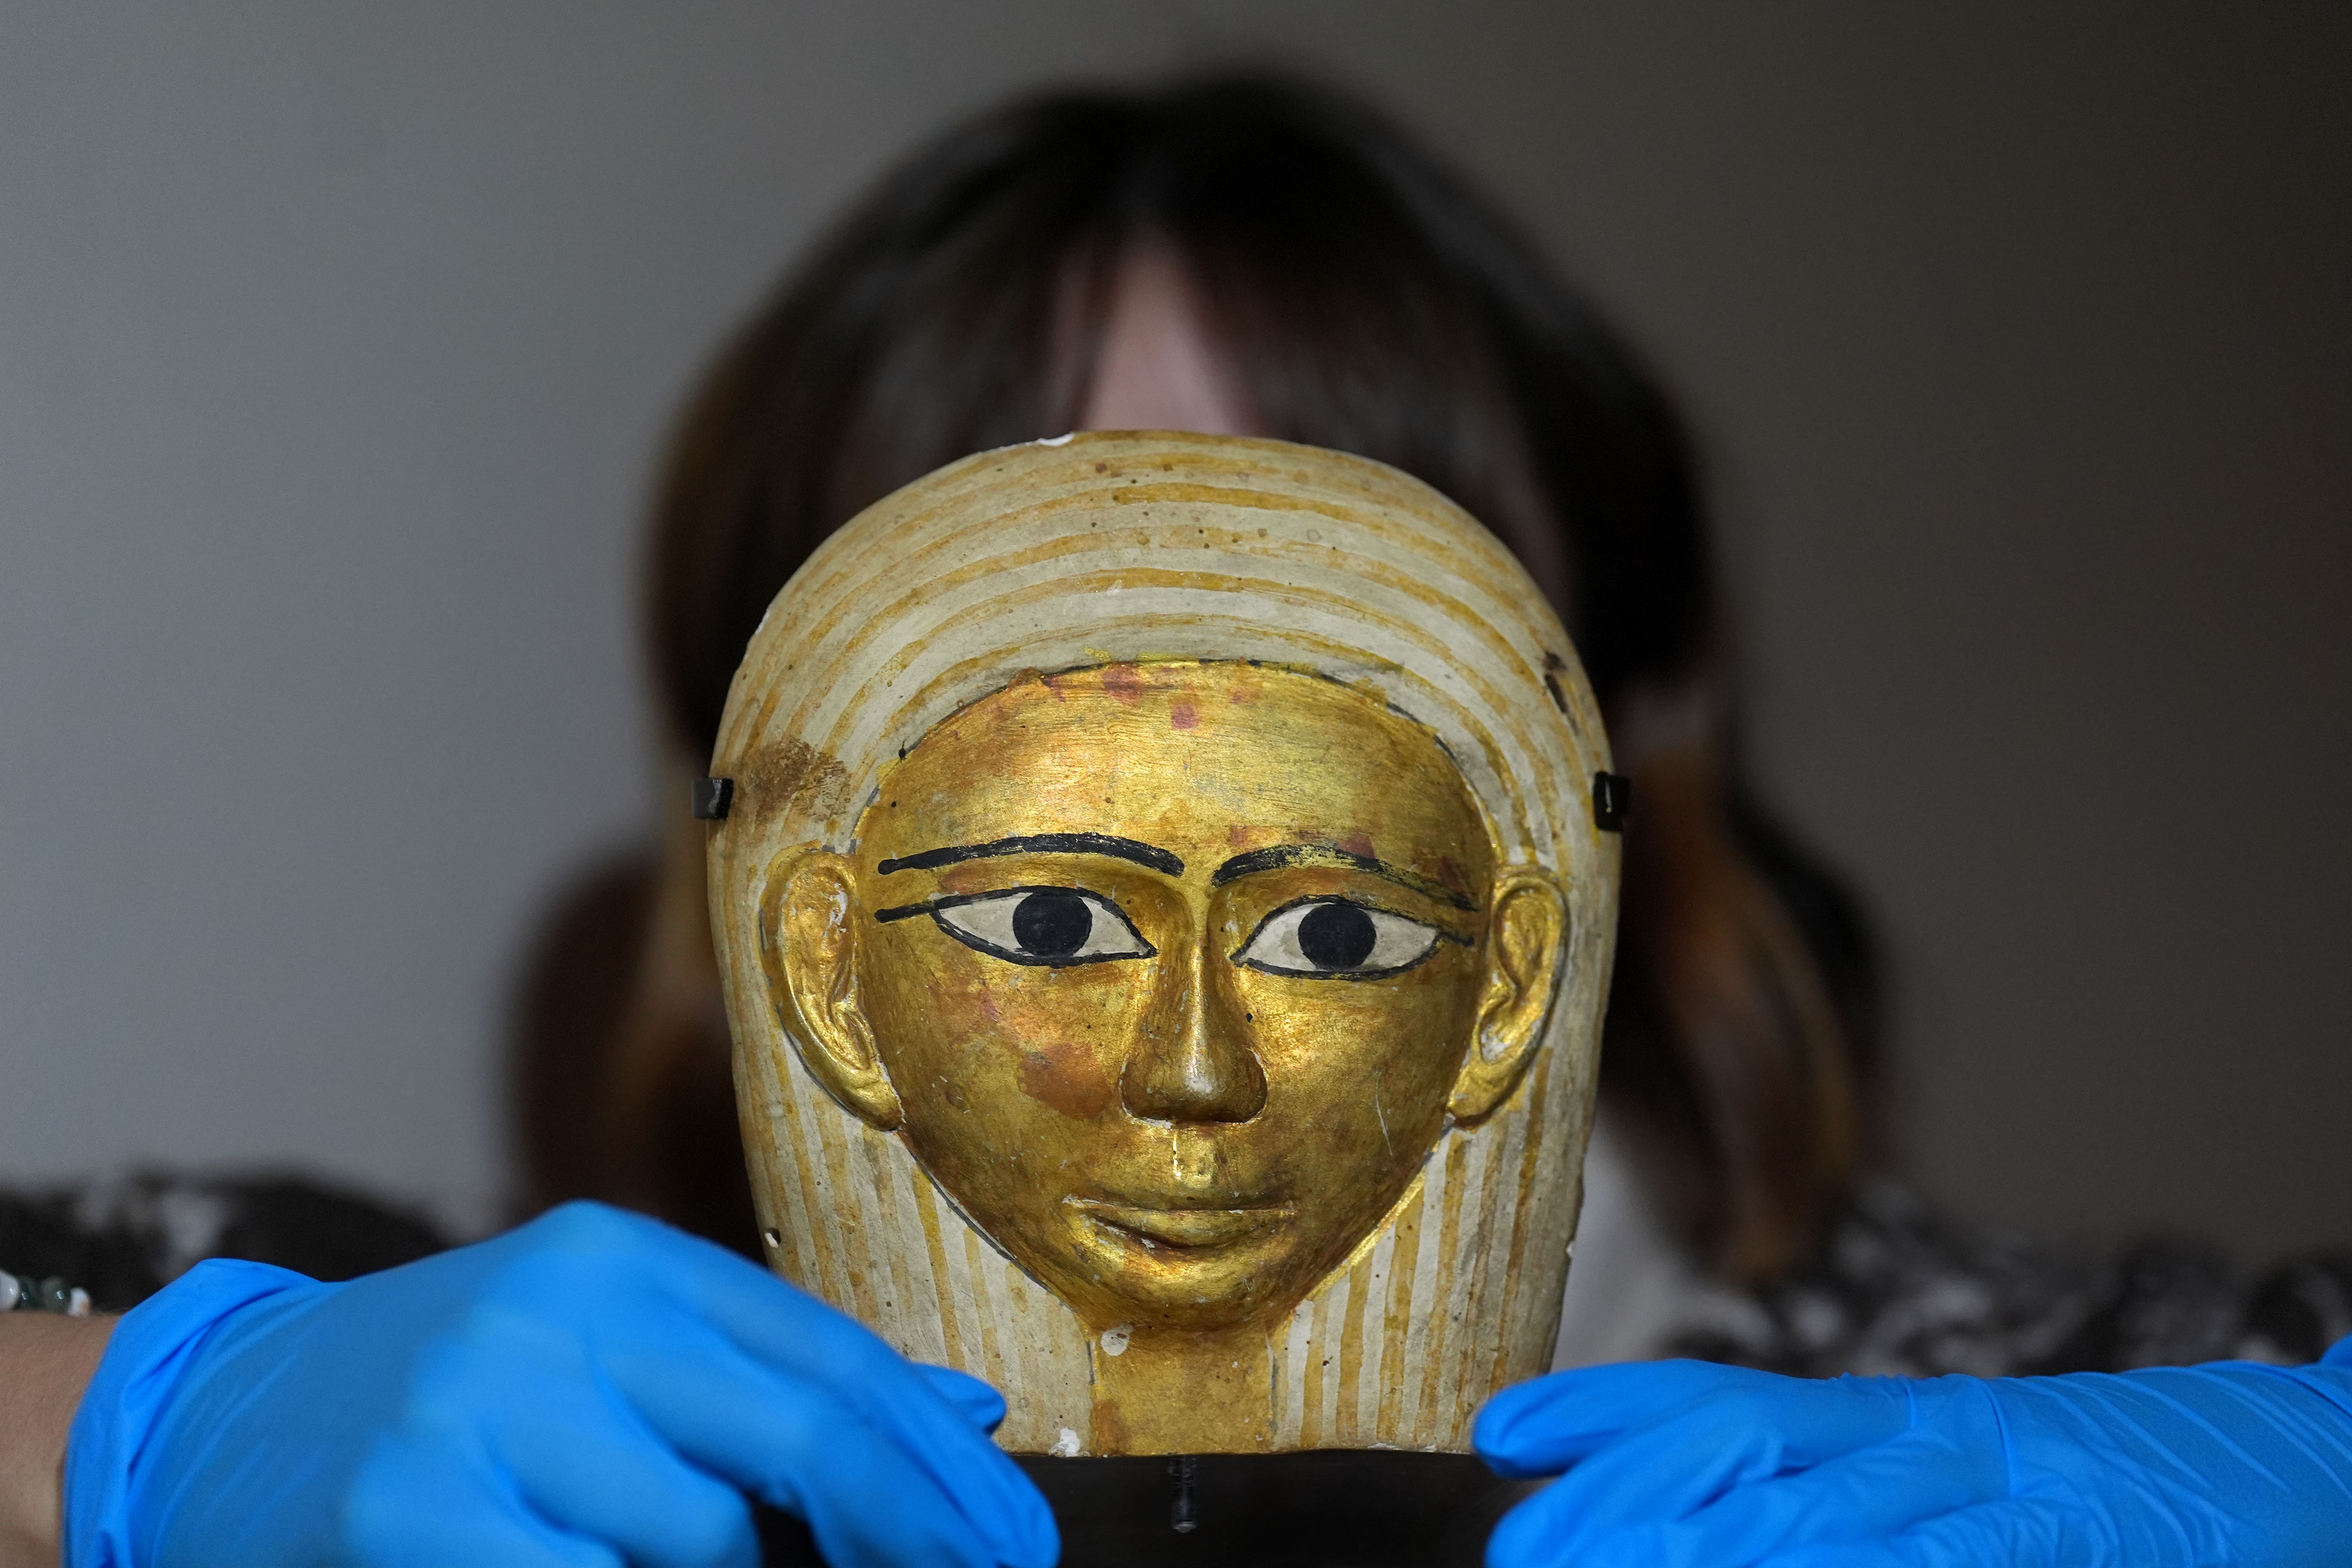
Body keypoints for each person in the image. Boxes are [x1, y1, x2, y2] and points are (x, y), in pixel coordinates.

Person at [5, 74, 2347, 1568]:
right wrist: (116, 1429)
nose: (1187, 694)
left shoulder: (2123, 1374)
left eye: (1334, 571)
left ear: (1607, 733)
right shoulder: (376, 1352)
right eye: (1025, 595)